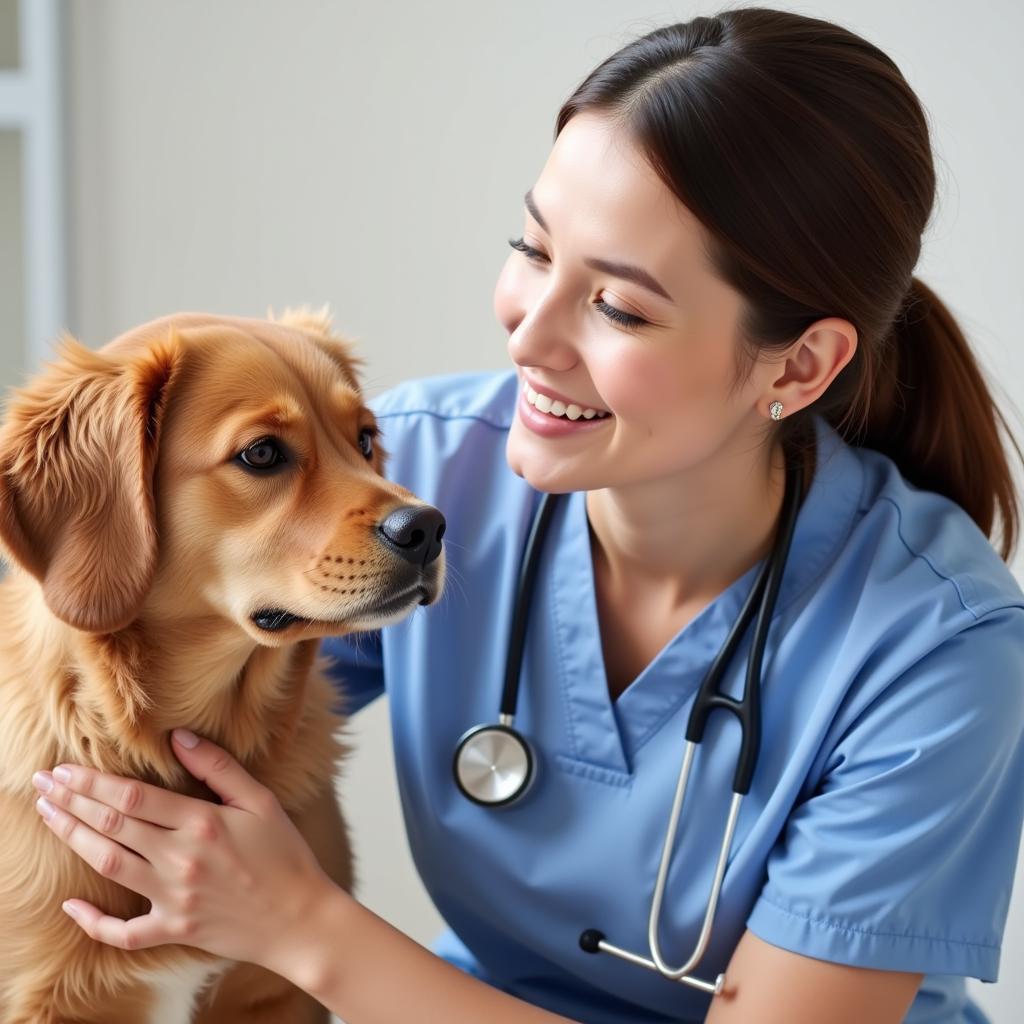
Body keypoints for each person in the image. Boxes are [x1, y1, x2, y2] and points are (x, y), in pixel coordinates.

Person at [27, 7, 1024, 1024]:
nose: (530, 336)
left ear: (800, 363)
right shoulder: (423, 469)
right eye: (534, 249)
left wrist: (301, 928)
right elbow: (134, 640)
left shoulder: (938, 648)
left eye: (621, 307)